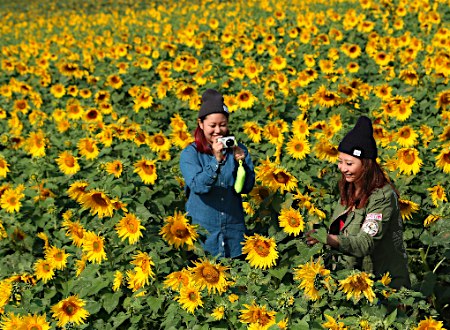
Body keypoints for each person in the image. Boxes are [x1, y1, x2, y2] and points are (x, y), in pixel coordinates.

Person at [305, 115, 411, 289]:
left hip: (383, 286)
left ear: (366, 165)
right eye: (340, 162)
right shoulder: (349, 187)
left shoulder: (383, 197)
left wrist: (329, 239)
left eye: (349, 163)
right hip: (352, 281)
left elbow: (365, 244)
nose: (342, 168)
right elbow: (340, 228)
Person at [179, 89, 255, 258]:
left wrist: (241, 163)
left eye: (222, 125)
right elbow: (198, 186)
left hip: (234, 235)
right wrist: (216, 160)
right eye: (212, 126)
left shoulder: (238, 149)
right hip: (203, 238)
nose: (218, 131)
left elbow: (246, 188)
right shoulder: (190, 154)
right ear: (201, 124)